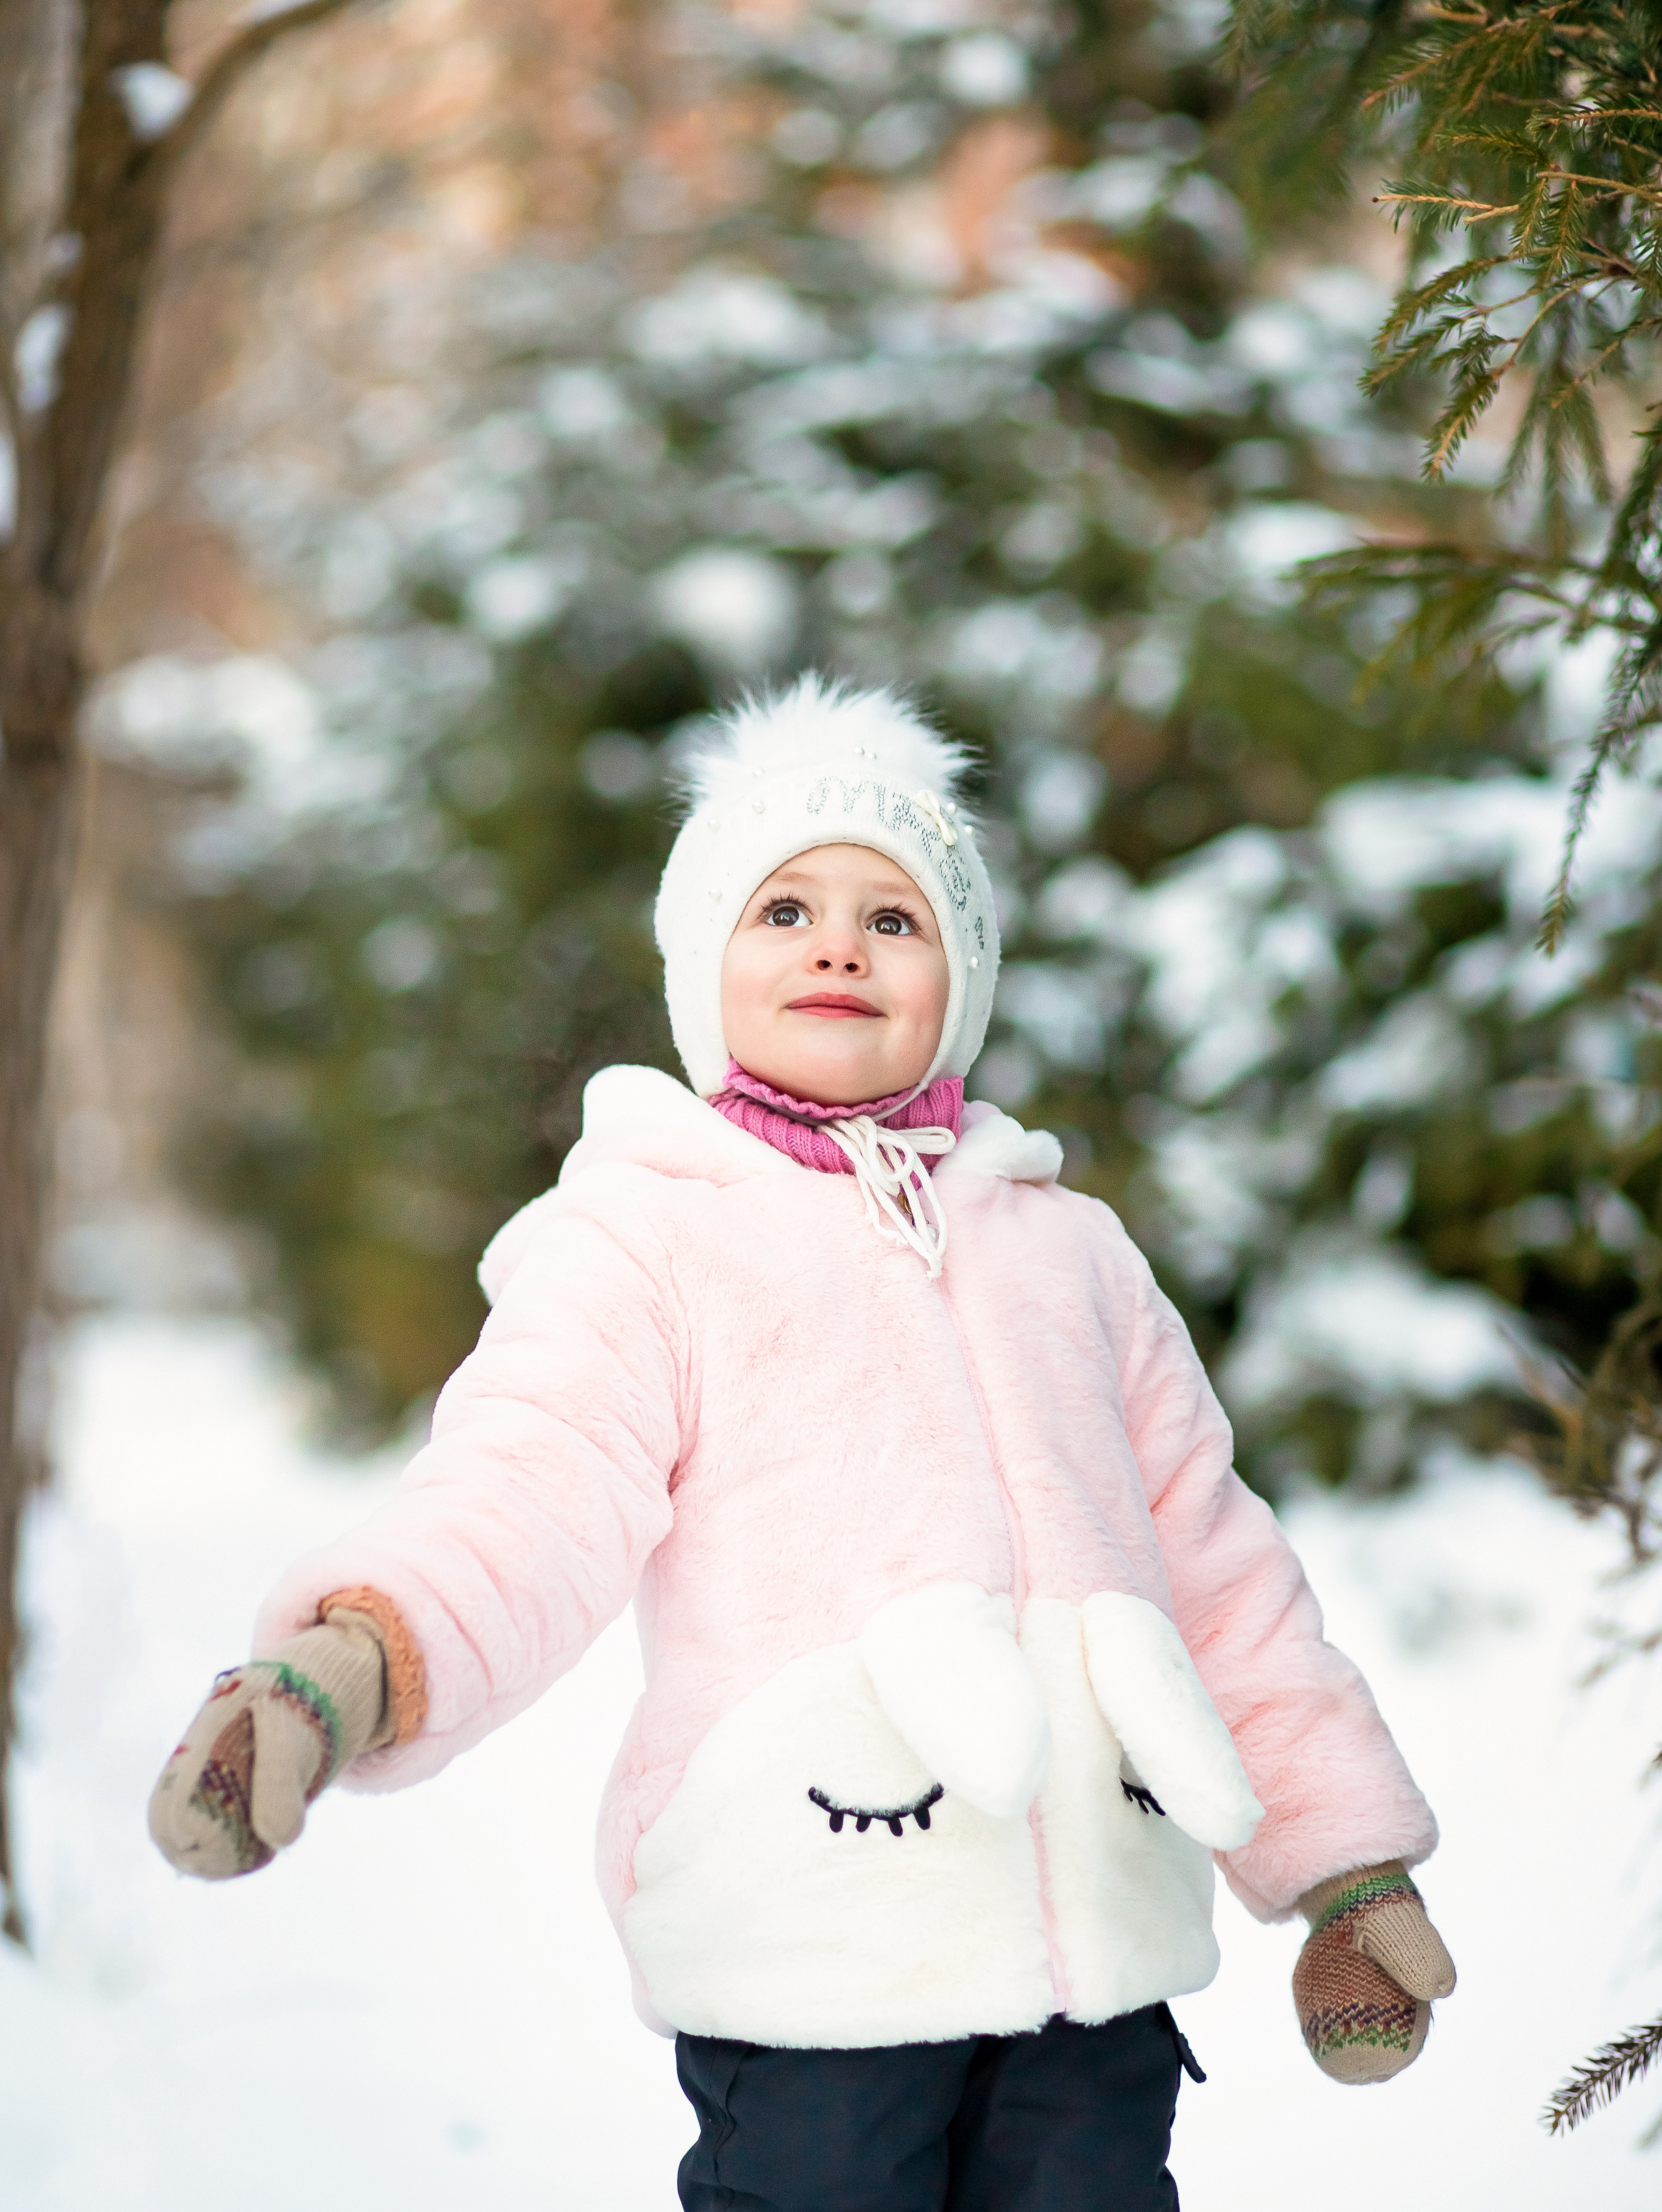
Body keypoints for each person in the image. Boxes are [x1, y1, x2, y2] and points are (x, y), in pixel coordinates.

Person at [149, 676, 1455, 2211]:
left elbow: (1217, 1567)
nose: (839, 943)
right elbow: (531, 1490)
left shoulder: (1071, 1253)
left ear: (957, 978)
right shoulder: (647, 1239)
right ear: (707, 965)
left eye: (894, 919)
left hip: (1096, 1958)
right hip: (816, 1937)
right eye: (784, 909)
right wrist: (353, 1661)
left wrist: (1343, 1865)